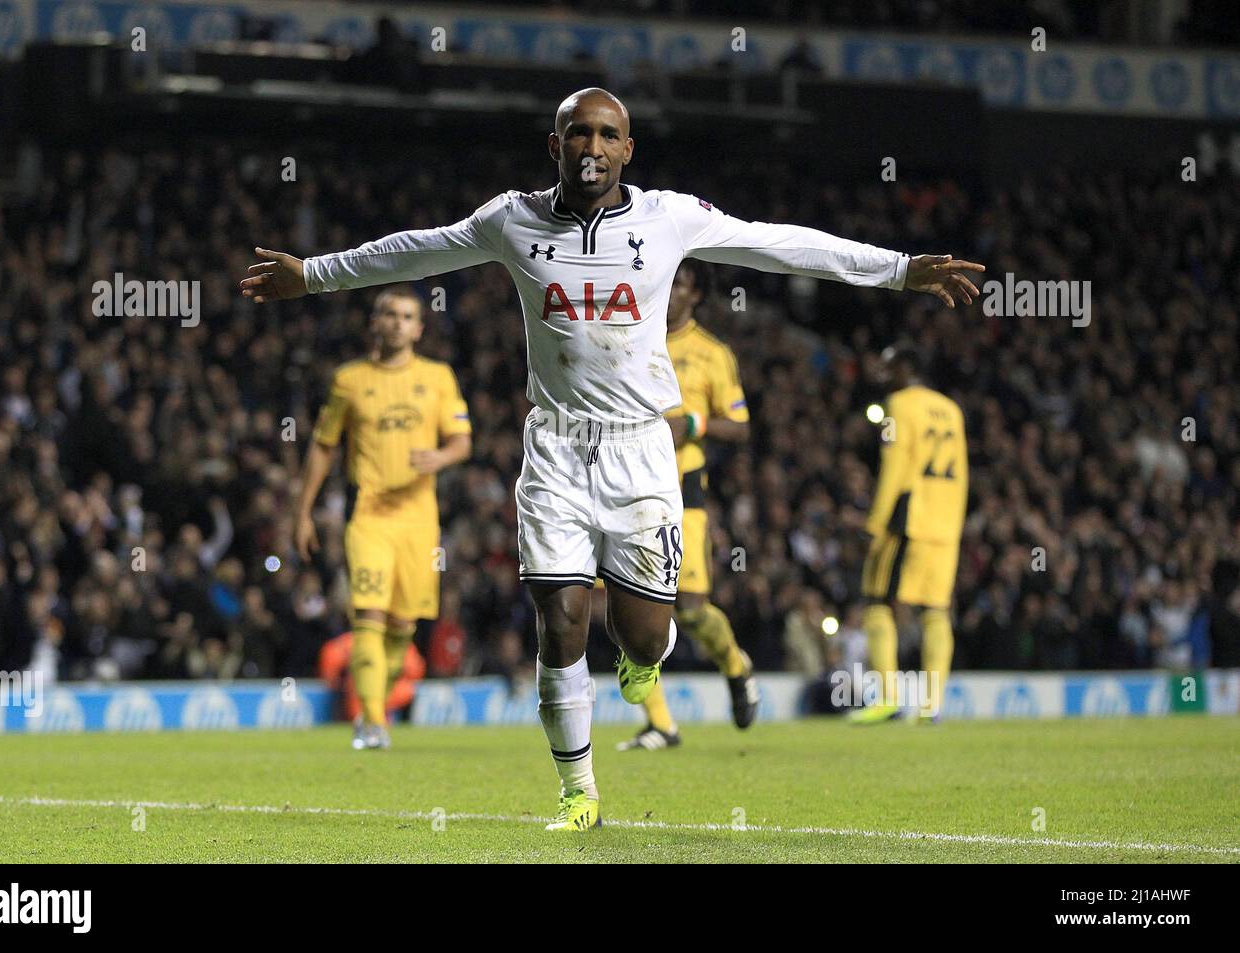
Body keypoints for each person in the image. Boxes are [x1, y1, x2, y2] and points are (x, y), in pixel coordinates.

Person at [241, 87, 983, 830]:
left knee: (647, 636)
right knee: (560, 618)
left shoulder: (669, 218)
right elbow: (419, 246)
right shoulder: (513, 220)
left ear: (628, 149)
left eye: (606, 135)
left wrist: (898, 270)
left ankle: (641, 664)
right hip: (558, 446)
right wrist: (313, 274)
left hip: (641, 450)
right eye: (577, 133)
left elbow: (779, 243)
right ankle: (578, 791)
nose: (591, 147)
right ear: (555, 144)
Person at [293, 286, 472, 750]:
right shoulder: (349, 380)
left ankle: (377, 704)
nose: (396, 322)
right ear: (374, 322)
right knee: (368, 615)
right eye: (387, 314)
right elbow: (323, 446)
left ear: (419, 327)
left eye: (406, 315)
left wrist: (438, 458)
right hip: (368, 516)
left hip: (418, 521)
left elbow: (462, 441)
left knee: (402, 626)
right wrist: (303, 511)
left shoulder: (437, 377)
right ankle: (371, 720)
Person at [618, 259, 759, 751]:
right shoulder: (629, 335)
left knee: (693, 609)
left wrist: (693, 425)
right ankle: (662, 723)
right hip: (625, 485)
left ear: (696, 294)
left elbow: (740, 426)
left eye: (680, 283)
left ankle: (736, 666)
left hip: (682, 489)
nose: (670, 290)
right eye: (665, 280)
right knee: (619, 601)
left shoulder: (711, 353)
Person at [851, 344, 969, 724]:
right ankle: (931, 705)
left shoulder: (898, 406)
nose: (884, 375)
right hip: (946, 521)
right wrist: (955, 521)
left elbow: (895, 465)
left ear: (907, 368)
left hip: (908, 518)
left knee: (876, 602)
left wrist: (876, 522)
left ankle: (888, 698)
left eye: (890, 367)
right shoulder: (951, 410)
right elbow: (964, 474)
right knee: (935, 611)